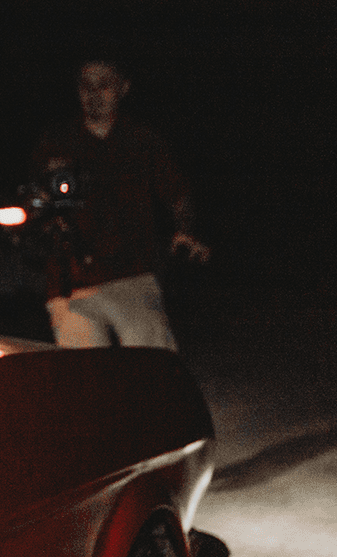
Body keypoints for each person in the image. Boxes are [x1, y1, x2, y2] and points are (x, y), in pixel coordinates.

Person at [31, 59, 209, 350]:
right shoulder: (56, 141)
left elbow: (178, 195)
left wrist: (185, 230)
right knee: (88, 380)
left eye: (104, 85)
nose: (94, 93)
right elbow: (35, 202)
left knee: (152, 369)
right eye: (86, 86)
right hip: (71, 284)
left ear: (123, 88)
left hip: (132, 275)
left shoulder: (142, 140)